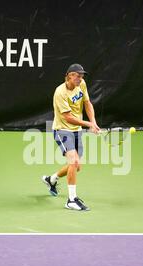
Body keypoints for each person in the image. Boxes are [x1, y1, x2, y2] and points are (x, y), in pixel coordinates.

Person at [42, 63, 100, 211]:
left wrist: (93, 122)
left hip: (76, 130)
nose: (80, 78)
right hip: (62, 130)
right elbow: (67, 117)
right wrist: (88, 124)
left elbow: (87, 103)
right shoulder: (60, 92)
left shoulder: (82, 84)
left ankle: (51, 179)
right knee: (73, 162)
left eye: (82, 76)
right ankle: (71, 200)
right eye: (78, 75)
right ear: (69, 75)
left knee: (75, 166)